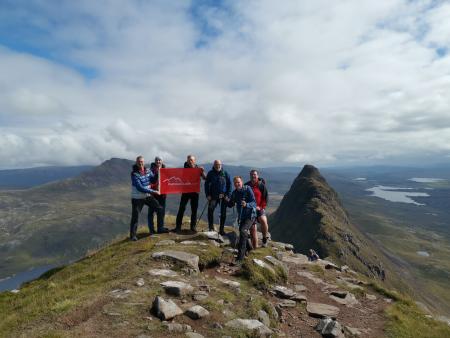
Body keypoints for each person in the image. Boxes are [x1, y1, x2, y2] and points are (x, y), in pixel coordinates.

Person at [129, 156, 163, 241]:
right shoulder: (134, 174)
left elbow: (153, 179)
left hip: (147, 196)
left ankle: (160, 228)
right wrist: (154, 191)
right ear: (136, 163)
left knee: (159, 209)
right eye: (139, 162)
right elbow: (140, 187)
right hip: (137, 198)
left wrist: (158, 171)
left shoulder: (148, 171)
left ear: (144, 162)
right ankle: (133, 236)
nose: (141, 163)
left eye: (142, 162)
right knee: (135, 216)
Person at [227, 176, 257, 261]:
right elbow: (230, 204)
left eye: (238, 182)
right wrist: (226, 199)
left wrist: (246, 204)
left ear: (242, 182)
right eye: (235, 183)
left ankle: (240, 258)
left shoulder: (248, 189)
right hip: (242, 217)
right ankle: (250, 249)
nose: (237, 184)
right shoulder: (234, 193)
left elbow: (254, 203)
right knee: (242, 232)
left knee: (243, 231)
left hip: (250, 216)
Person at [175, 155, 206, 232]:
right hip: (185, 191)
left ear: (194, 161)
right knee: (181, 209)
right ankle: (178, 227)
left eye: (192, 160)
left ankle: (193, 227)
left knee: (194, 210)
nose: (190, 161)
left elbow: (205, 178)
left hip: (195, 192)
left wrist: (202, 171)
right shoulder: (184, 168)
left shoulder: (198, 169)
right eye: (189, 160)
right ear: (187, 161)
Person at [245, 169, 270, 248]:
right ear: (250, 176)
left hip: (259, 208)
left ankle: (264, 238)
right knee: (253, 229)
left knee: (263, 220)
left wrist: (261, 207)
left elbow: (265, 198)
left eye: (255, 174)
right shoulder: (246, 185)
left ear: (257, 176)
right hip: (250, 210)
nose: (253, 176)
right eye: (252, 174)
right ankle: (255, 248)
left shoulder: (261, 185)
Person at [205, 160, 231, 234]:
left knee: (223, 213)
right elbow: (206, 184)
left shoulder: (225, 173)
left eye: (219, 164)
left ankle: (221, 230)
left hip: (224, 196)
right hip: (213, 196)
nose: (218, 166)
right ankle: (211, 227)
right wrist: (207, 195)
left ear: (221, 165)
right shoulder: (210, 173)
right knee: (210, 209)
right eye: (216, 164)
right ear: (214, 165)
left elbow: (229, 184)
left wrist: (228, 195)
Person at [148, 156, 169, 234]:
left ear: (162, 161)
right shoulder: (151, 170)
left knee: (162, 211)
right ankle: (151, 229)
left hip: (162, 194)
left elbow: (168, 181)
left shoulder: (165, 170)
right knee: (151, 212)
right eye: (157, 160)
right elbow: (149, 181)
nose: (158, 162)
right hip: (153, 194)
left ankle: (160, 228)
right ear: (155, 161)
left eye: (160, 160)